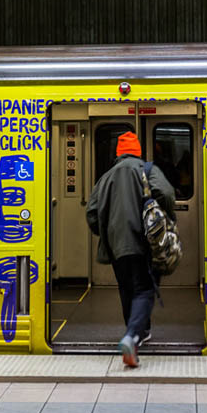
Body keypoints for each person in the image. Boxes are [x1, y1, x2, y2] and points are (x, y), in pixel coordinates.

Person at [86, 131, 176, 368]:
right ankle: (132, 336)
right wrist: (164, 216)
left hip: (116, 246)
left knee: (127, 289)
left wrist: (107, 233)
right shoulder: (146, 170)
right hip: (142, 242)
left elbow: (91, 213)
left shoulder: (105, 177)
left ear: (118, 153)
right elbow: (166, 193)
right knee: (144, 290)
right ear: (138, 151)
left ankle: (135, 334)